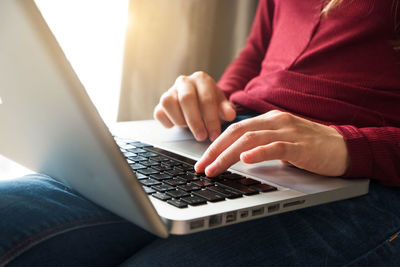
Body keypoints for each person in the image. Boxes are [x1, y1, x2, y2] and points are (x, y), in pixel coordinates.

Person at [1, 0, 400, 266]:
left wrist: (350, 147)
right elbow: (261, 57)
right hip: (233, 138)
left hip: (365, 176)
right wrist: (214, 97)